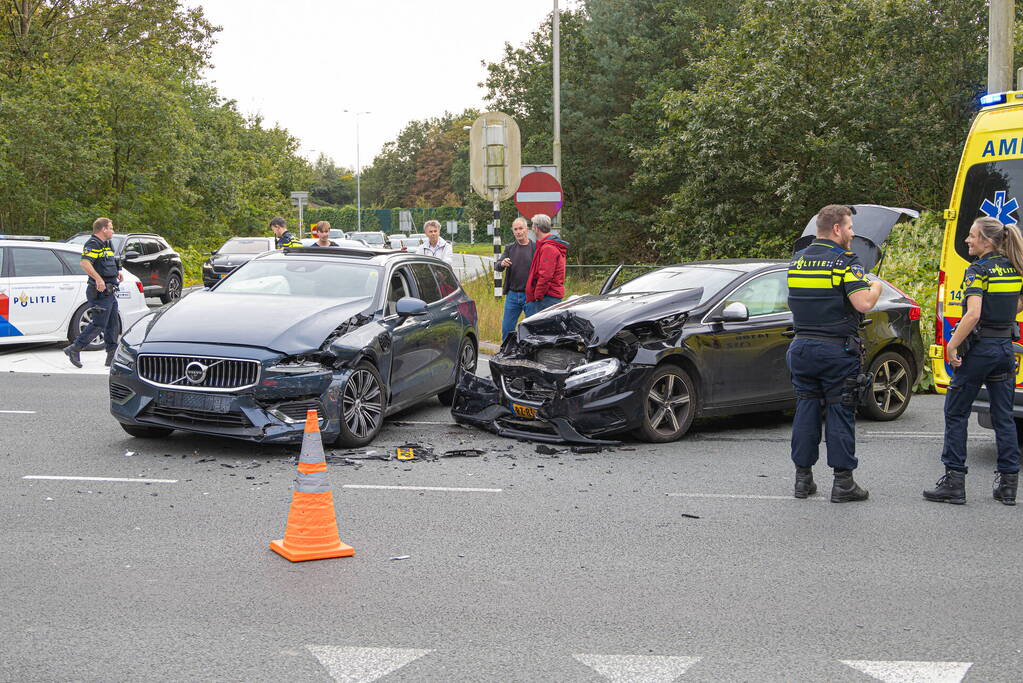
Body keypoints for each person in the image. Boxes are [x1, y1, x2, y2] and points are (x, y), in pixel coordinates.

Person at [924, 217, 1023, 506]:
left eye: (972, 236)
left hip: (979, 351)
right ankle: (1008, 485)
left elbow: (973, 314)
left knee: (955, 412)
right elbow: (1017, 302)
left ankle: (954, 483)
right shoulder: (1014, 268)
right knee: (1004, 417)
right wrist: (1004, 314)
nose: (967, 240)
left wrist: (952, 345)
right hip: (1005, 350)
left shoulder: (978, 270)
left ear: (987, 241)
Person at [786, 204, 882, 502]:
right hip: (835, 350)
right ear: (837, 229)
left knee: (806, 409)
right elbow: (863, 303)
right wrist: (875, 285)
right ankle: (843, 484)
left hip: (801, 347)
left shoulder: (797, 261)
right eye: (850, 227)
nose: (853, 234)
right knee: (841, 410)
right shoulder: (844, 262)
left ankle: (803, 480)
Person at [63, 217, 124, 368]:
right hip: (99, 291)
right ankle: (74, 348)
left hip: (110, 289)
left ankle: (111, 355)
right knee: (99, 323)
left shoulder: (107, 243)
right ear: (103, 229)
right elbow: (85, 263)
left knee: (112, 324)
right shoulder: (93, 243)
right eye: (111, 227)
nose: (113, 230)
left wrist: (118, 271)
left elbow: (112, 260)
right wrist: (98, 279)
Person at [496, 217, 536, 340]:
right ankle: (505, 354)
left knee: (531, 328)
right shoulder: (509, 248)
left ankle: (530, 354)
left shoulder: (535, 248)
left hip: (530, 295)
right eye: (515, 229)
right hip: (512, 295)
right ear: (513, 231)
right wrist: (502, 263)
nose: (518, 232)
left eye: (521, 228)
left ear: (527, 230)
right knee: (507, 328)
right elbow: (497, 265)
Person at [524, 213, 568, 317]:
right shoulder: (549, 245)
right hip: (549, 296)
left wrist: (537, 295)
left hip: (547, 298)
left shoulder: (548, 248)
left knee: (540, 330)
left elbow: (545, 275)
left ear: (537, 228)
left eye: (533, 226)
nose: (532, 229)